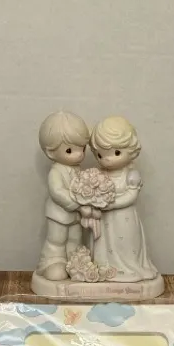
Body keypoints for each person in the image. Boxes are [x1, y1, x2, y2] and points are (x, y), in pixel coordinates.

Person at [89, 116, 158, 282]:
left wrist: (110, 204)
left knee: (125, 243)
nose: (107, 159)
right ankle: (107, 268)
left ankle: (128, 267)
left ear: (131, 150)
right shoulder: (99, 174)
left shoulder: (131, 175)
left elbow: (131, 197)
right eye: (100, 155)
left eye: (116, 153)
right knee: (104, 244)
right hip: (104, 220)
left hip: (124, 218)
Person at [37, 111, 90, 281]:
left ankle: (74, 262)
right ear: (51, 153)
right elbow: (57, 192)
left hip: (75, 215)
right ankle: (52, 261)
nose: (79, 154)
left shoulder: (77, 169)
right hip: (59, 214)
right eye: (69, 150)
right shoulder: (56, 171)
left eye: (82, 148)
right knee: (57, 239)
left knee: (75, 238)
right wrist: (79, 204)